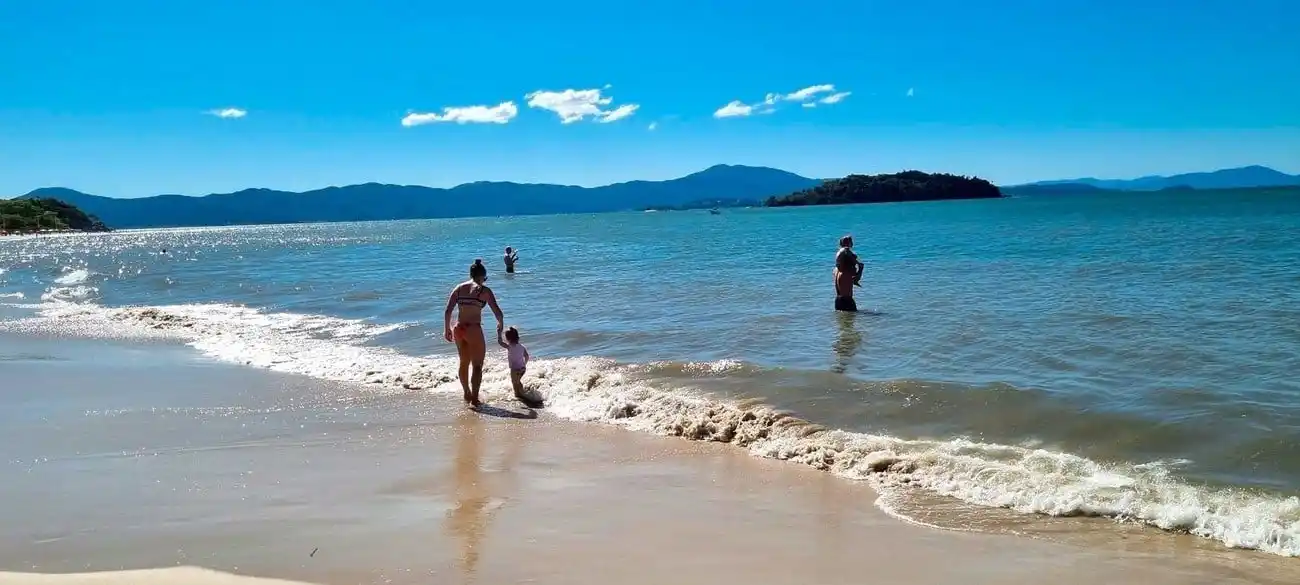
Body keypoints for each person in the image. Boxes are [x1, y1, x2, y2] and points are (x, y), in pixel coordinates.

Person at [444, 259, 505, 407]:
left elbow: (448, 310)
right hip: (473, 329)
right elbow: (497, 311)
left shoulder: (459, 288)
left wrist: (447, 329)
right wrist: (500, 325)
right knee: (477, 365)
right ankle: (475, 398)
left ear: (471, 274)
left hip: (459, 328)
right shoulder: (484, 290)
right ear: (483, 276)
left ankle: (466, 392)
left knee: (464, 362)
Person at [497, 326, 541, 408]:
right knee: (518, 381)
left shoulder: (509, 346)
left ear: (508, 338)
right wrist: (524, 364)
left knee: (515, 383)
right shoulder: (522, 347)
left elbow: (500, 342)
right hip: (522, 369)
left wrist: (499, 333)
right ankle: (523, 392)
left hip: (514, 370)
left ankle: (519, 395)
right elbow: (527, 356)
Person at [833, 235, 864, 312]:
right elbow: (859, 264)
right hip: (847, 300)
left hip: (838, 300)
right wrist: (860, 267)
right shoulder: (846, 250)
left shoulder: (836, 270)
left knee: (842, 319)